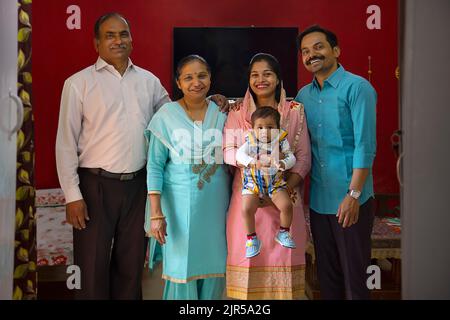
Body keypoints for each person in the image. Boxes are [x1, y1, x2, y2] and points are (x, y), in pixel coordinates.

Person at [55, 13, 171, 299]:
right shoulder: (78, 83)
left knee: (131, 268)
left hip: (138, 186)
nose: (118, 40)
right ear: (96, 43)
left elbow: (174, 116)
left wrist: (209, 102)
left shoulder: (149, 81)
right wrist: (72, 195)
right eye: (110, 35)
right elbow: (65, 143)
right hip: (94, 187)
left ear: (131, 40)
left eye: (123, 34)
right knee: (91, 270)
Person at [295, 25, 377, 300]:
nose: (311, 55)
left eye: (318, 47)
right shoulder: (303, 96)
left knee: (355, 280)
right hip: (319, 201)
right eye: (305, 51)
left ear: (336, 51)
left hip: (351, 199)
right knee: (327, 279)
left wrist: (353, 195)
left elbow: (365, 146)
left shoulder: (357, 88)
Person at [223, 53, 311, 299]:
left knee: (283, 269)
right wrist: (253, 166)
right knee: (247, 273)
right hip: (247, 198)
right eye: (254, 74)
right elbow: (227, 151)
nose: (261, 79)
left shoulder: (295, 112)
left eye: (267, 73)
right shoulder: (237, 111)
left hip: (285, 198)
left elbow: (303, 158)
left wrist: (282, 187)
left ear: (278, 78)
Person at [145, 55, 230, 300]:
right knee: (181, 274)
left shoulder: (222, 112)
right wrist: (156, 214)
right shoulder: (165, 116)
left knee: (215, 273)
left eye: (202, 75)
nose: (196, 82)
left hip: (216, 211)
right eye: (188, 77)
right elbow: (155, 167)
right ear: (178, 83)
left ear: (211, 79)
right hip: (178, 213)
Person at [236, 106, 297, 258]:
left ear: (277, 128)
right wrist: (251, 162)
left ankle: (283, 232)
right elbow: (239, 154)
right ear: (253, 129)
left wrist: (283, 163)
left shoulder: (281, 142)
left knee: (287, 205)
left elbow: (291, 158)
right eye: (260, 127)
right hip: (253, 183)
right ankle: (251, 239)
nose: (264, 132)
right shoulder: (250, 141)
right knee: (246, 208)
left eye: (270, 127)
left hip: (275, 183)